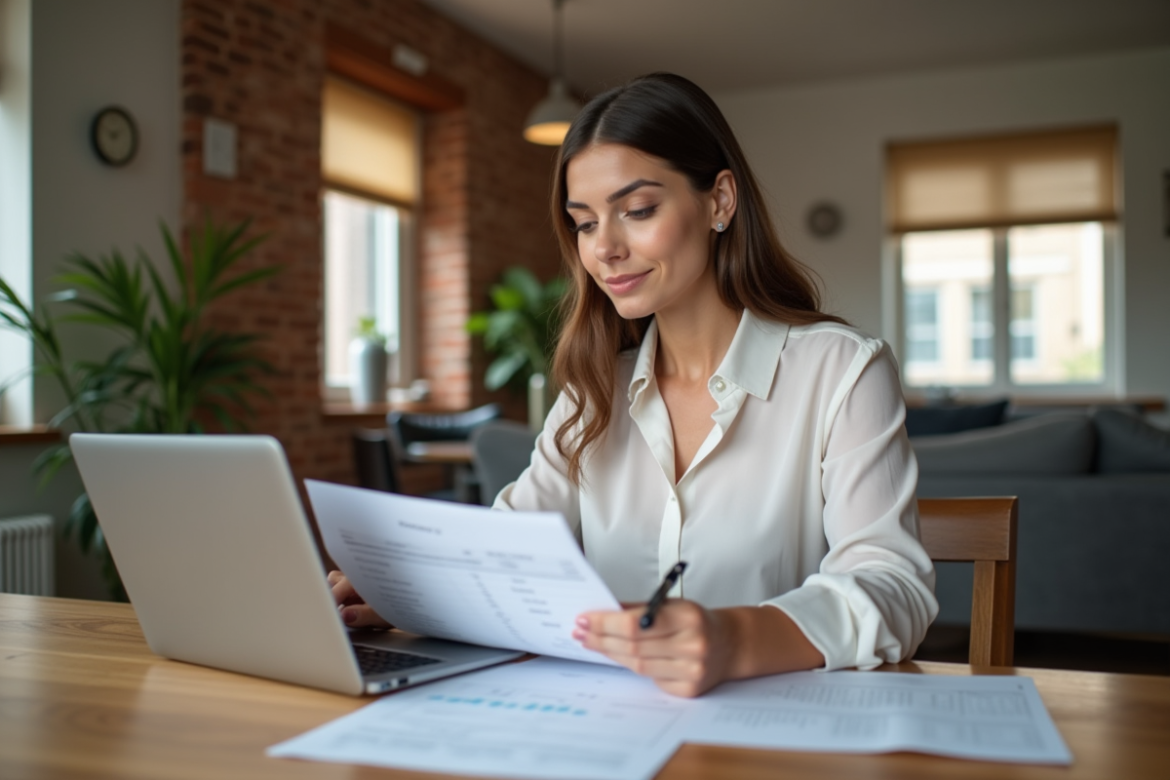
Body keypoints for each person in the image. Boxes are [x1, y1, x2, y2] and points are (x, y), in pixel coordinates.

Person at [331, 72, 937, 698]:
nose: (606, 249)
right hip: (605, 726)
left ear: (720, 201)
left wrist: (735, 639)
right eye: (585, 223)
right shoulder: (593, 390)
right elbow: (508, 548)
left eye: (638, 211)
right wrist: (406, 582)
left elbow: (891, 585)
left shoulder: (842, 371)